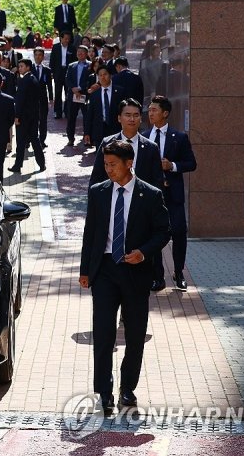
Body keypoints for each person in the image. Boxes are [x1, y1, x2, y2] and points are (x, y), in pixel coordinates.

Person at [79, 140, 170, 415]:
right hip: (105, 270)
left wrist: (144, 253)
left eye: (113, 164)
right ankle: (104, 392)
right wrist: (85, 270)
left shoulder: (150, 195)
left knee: (134, 334)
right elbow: (90, 233)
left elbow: (164, 232)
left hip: (135, 272)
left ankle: (127, 387)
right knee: (104, 333)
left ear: (129, 163)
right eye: (105, 164)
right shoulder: (98, 192)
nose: (108, 169)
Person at [146, 96, 197, 292]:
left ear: (165, 113)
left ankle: (179, 272)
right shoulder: (144, 136)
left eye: (154, 110)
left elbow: (191, 163)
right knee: (155, 236)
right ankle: (157, 277)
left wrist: (172, 166)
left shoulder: (180, 138)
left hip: (173, 196)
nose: (150, 113)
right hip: (152, 197)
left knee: (179, 233)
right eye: (149, 110)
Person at [89, 99, 163, 190]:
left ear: (140, 119)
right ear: (119, 118)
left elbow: (157, 181)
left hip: (141, 200)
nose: (132, 119)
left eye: (136, 115)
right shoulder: (107, 143)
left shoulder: (151, 147)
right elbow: (96, 176)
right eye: (128, 115)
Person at [9, 59, 45, 174]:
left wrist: (17, 116)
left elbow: (20, 100)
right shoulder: (33, 78)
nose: (19, 68)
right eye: (19, 66)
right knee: (35, 139)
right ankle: (41, 164)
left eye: (22, 66)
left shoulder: (24, 80)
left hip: (24, 117)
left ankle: (17, 165)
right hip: (33, 115)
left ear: (28, 67)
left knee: (20, 142)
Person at [84, 65, 123, 149]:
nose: (102, 77)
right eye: (100, 75)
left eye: (105, 74)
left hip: (116, 129)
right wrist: (87, 132)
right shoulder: (95, 94)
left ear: (110, 75)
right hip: (99, 131)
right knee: (100, 157)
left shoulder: (120, 92)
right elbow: (90, 114)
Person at [64, 45, 92, 147]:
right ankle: (70, 138)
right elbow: (67, 79)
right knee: (71, 117)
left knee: (87, 118)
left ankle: (87, 138)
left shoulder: (90, 65)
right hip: (73, 95)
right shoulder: (72, 65)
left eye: (82, 52)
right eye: (78, 52)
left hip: (85, 95)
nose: (80, 54)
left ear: (86, 54)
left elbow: (90, 80)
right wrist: (73, 89)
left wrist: (80, 88)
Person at [49, 32, 75, 120]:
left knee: (68, 92)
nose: (67, 40)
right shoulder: (56, 47)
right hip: (58, 72)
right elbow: (52, 60)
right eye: (65, 38)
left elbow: (74, 61)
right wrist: (52, 72)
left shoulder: (72, 48)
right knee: (58, 92)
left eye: (68, 39)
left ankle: (67, 111)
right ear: (61, 38)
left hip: (68, 72)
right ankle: (58, 112)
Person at [32, 47, 54, 148]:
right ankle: (30, 140)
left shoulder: (47, 70)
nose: (38, 57)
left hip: (43, 99)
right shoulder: (30, 68)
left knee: (43, 121)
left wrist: (51, 98)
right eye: (36, 55)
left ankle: (42, 140)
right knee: (31, 120)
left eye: (40, 55)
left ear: (43, 57)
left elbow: (49, 85)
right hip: (31, 99)